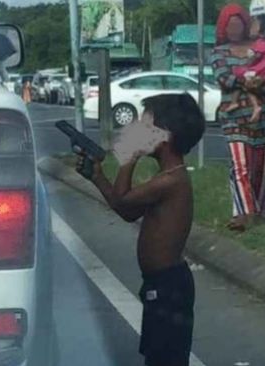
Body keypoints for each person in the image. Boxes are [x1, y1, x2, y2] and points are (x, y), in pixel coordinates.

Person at [77, 93, 205, 366]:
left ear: (165, 137)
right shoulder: (167, 178)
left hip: (169, 287)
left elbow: (123, 200)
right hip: (161, 284)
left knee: (165, 359)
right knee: (158, 356)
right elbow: (127, 211)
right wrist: (97, 177)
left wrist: (129, 158)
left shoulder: (171, 181)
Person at [210, 4, 265, 232]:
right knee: (240, 166)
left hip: (264, 118)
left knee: (262, 167)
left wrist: (261, 81)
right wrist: (245, 82)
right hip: (234, 118)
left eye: (238, 23)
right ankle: (243, 212)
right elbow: (223, 77)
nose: (234, 28)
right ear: (223, 27)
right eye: (229, 25)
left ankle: (259, 211)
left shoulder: (263, 47)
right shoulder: (219, 52)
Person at [225, 13, 265, 123]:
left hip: (259, 71)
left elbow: (254, 56)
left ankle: (238, 102)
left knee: (239, 78)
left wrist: (247, 60)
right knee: (247, 86)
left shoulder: (261, 43)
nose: (251, 27)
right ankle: (252, 106)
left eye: (254, 26)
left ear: (262, 33)